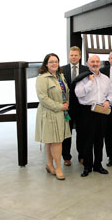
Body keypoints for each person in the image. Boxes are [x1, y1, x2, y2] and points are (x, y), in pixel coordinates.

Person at [35, 53, 71, 181]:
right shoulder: (42, 78)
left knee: (51, 140)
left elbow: (65, 93)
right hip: (49, 113)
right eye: (51, 62)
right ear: (46, 64)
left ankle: (50, 165)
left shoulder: (60, 76)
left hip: (61, 113)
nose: (54, 64)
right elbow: (43, 98)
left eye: (56, 61)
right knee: (56, 141)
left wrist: (66, 105)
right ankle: (58, 168)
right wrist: (59, 106)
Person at [74, 55, 111, 177]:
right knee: (87, 140)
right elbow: (78, 93)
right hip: (87, 111)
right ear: (87, 63)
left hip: (101, 111)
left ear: (100, 63)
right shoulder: (83, 78)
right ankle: (87, 166)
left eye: (97, 61)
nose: (95, 64)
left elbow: (110, 93)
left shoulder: (105, 78)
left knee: (99, 140)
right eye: (92, 62)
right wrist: (90, 82)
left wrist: (107, 101)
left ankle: (98, 165)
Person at [60, 46, 89, 166]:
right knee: (67, 133)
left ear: (80, 56)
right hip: (67, 106)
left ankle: (82, 155)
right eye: (71, 55)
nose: (73, 57)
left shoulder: (86, 69)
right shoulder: (62, 70)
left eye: (76, 55)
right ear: (68, 55)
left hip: (81, 107)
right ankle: (66, 157)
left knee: (82, 133)